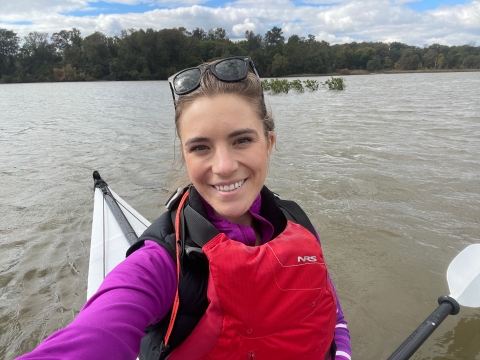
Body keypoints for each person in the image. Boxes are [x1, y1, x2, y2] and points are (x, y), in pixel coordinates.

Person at [17, 56, 351, 360]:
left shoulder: (298, 223)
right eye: (201, 147)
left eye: (242, 140)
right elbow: (93, 335)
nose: (223, 166)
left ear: (270, 143)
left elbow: (330, 313)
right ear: (185, 155)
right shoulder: (160, 260)